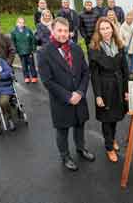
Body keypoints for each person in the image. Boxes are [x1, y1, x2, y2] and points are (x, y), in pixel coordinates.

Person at [37, 17, 95, 171]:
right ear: (53, 31)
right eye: (59, 30)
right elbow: (47, 81)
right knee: (62, 130)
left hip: (79, 97)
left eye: (65, 30)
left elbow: (85, 72)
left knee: (79, 125)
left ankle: (81, 148)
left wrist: (80, 92)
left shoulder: (76, 48)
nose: (63, 34)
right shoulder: (44, 52)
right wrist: (68, 96)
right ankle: (65, 156)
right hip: (61, 100)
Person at [89, 17, 129, 163]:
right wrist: (98, 95)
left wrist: (126, 89)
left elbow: (125, 70)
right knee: (107, 119)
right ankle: (109, 147)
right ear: (98, 31)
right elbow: (94, 75)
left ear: (112, 28)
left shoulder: (119, 45)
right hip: (104, 87)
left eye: (108, 28)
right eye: (102, 29)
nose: (106, 31)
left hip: (118, 86)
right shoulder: (94, 48)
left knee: (115, 116)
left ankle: (112, 140)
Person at [11, 17, 38, 83]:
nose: (21, 24)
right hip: (21, 52)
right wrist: (15, 50)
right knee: (24, 65)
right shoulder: (14, 32)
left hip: (29, 51)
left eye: (23, 23)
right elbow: (13, 42)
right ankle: (26, 77)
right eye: (20, 22)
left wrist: (33, 49)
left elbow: (33, 40)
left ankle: (34, 77)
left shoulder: (28, 30)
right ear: (17, 23)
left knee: (32, 64)